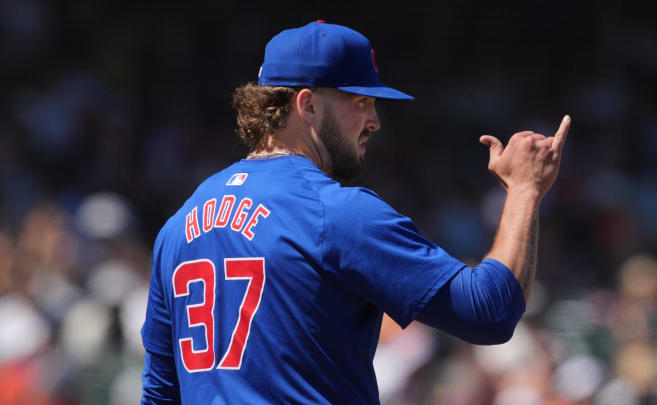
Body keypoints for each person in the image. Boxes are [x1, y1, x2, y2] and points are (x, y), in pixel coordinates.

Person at [140, 20, 570, 404]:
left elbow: (160, 393)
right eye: (360, 101)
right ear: (307, 104)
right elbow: (489, 312)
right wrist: (525, 190)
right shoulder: (334, 213)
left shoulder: (180, 224)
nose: (375, 120)